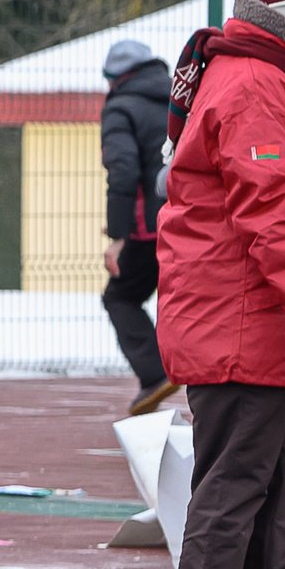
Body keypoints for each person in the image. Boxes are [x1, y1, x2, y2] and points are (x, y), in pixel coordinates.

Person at [154, 0, 285, 569]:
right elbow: (274, 214)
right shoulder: (254, 86)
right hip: (240, 324)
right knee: (237, 484)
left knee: (281, 486)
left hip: (270, 325)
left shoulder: (271, 78)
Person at [98, 36, 176, 415]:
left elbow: (124, 171)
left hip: (149, 229)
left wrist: (118, 236)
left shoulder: (120, 108)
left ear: (114, 77)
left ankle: (154, 372)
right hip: (188, 219)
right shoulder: (181, 98)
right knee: (183, 298)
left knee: (120, 296)